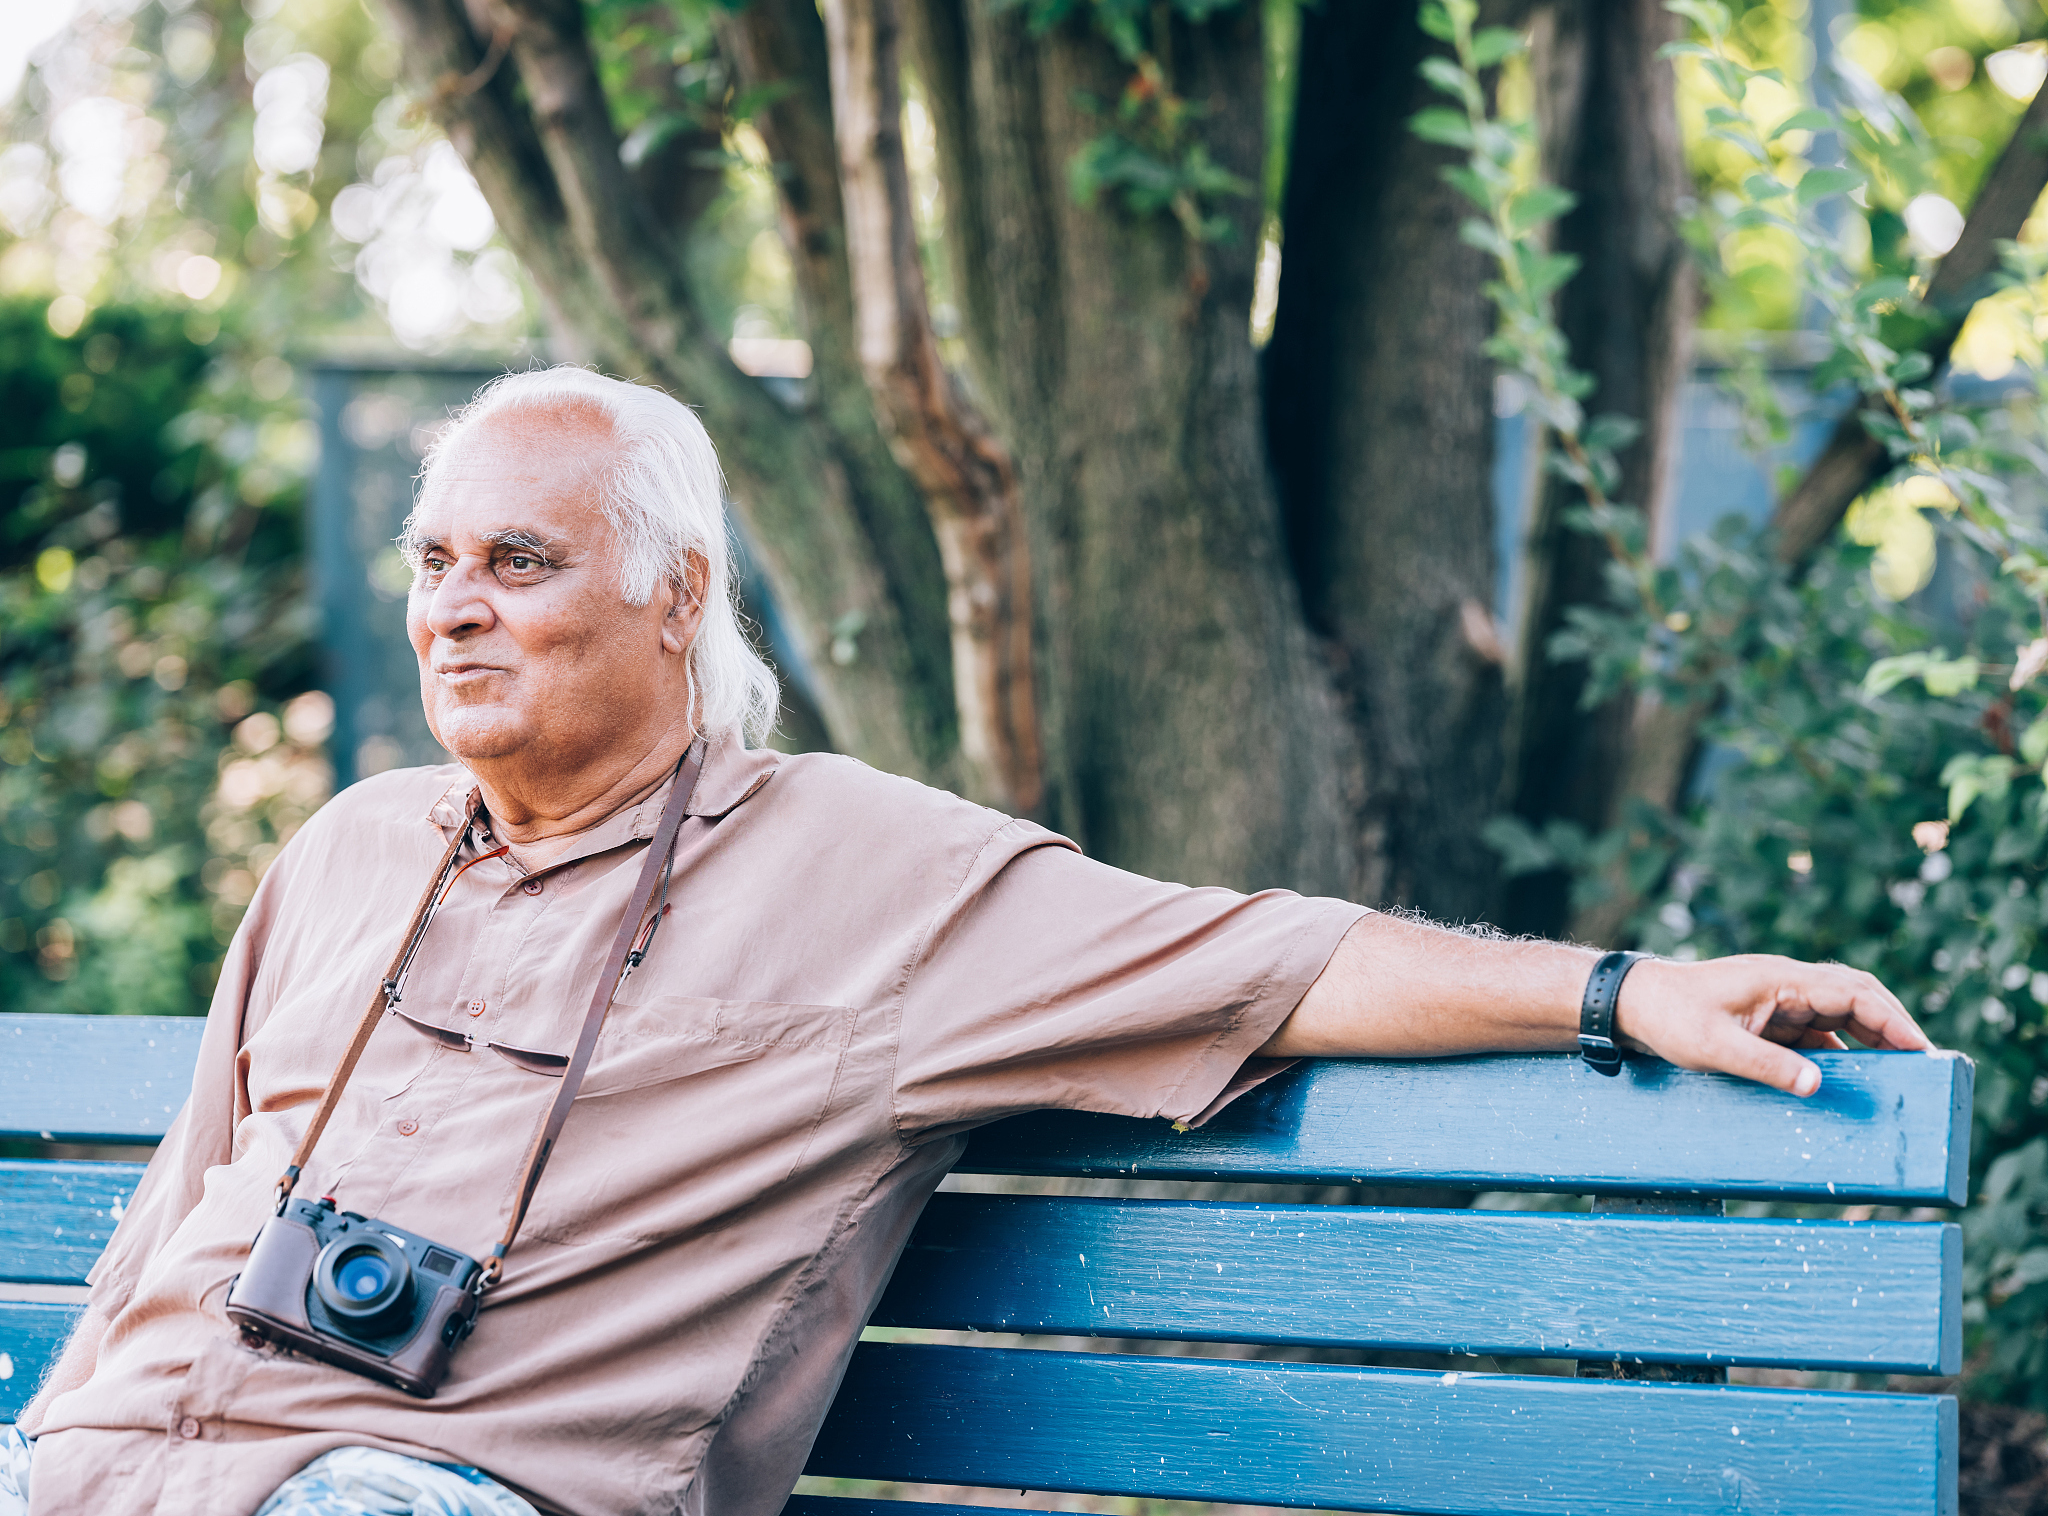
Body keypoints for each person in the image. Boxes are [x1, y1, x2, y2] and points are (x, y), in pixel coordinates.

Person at [6, 366, 1932, 1516]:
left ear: (678, 600)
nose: (457, 612)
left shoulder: (863, 873)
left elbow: (1264, 957)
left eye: (523, 564)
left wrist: (1618, 991)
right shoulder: (348, 853)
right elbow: (181, 1209)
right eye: (434, 564)